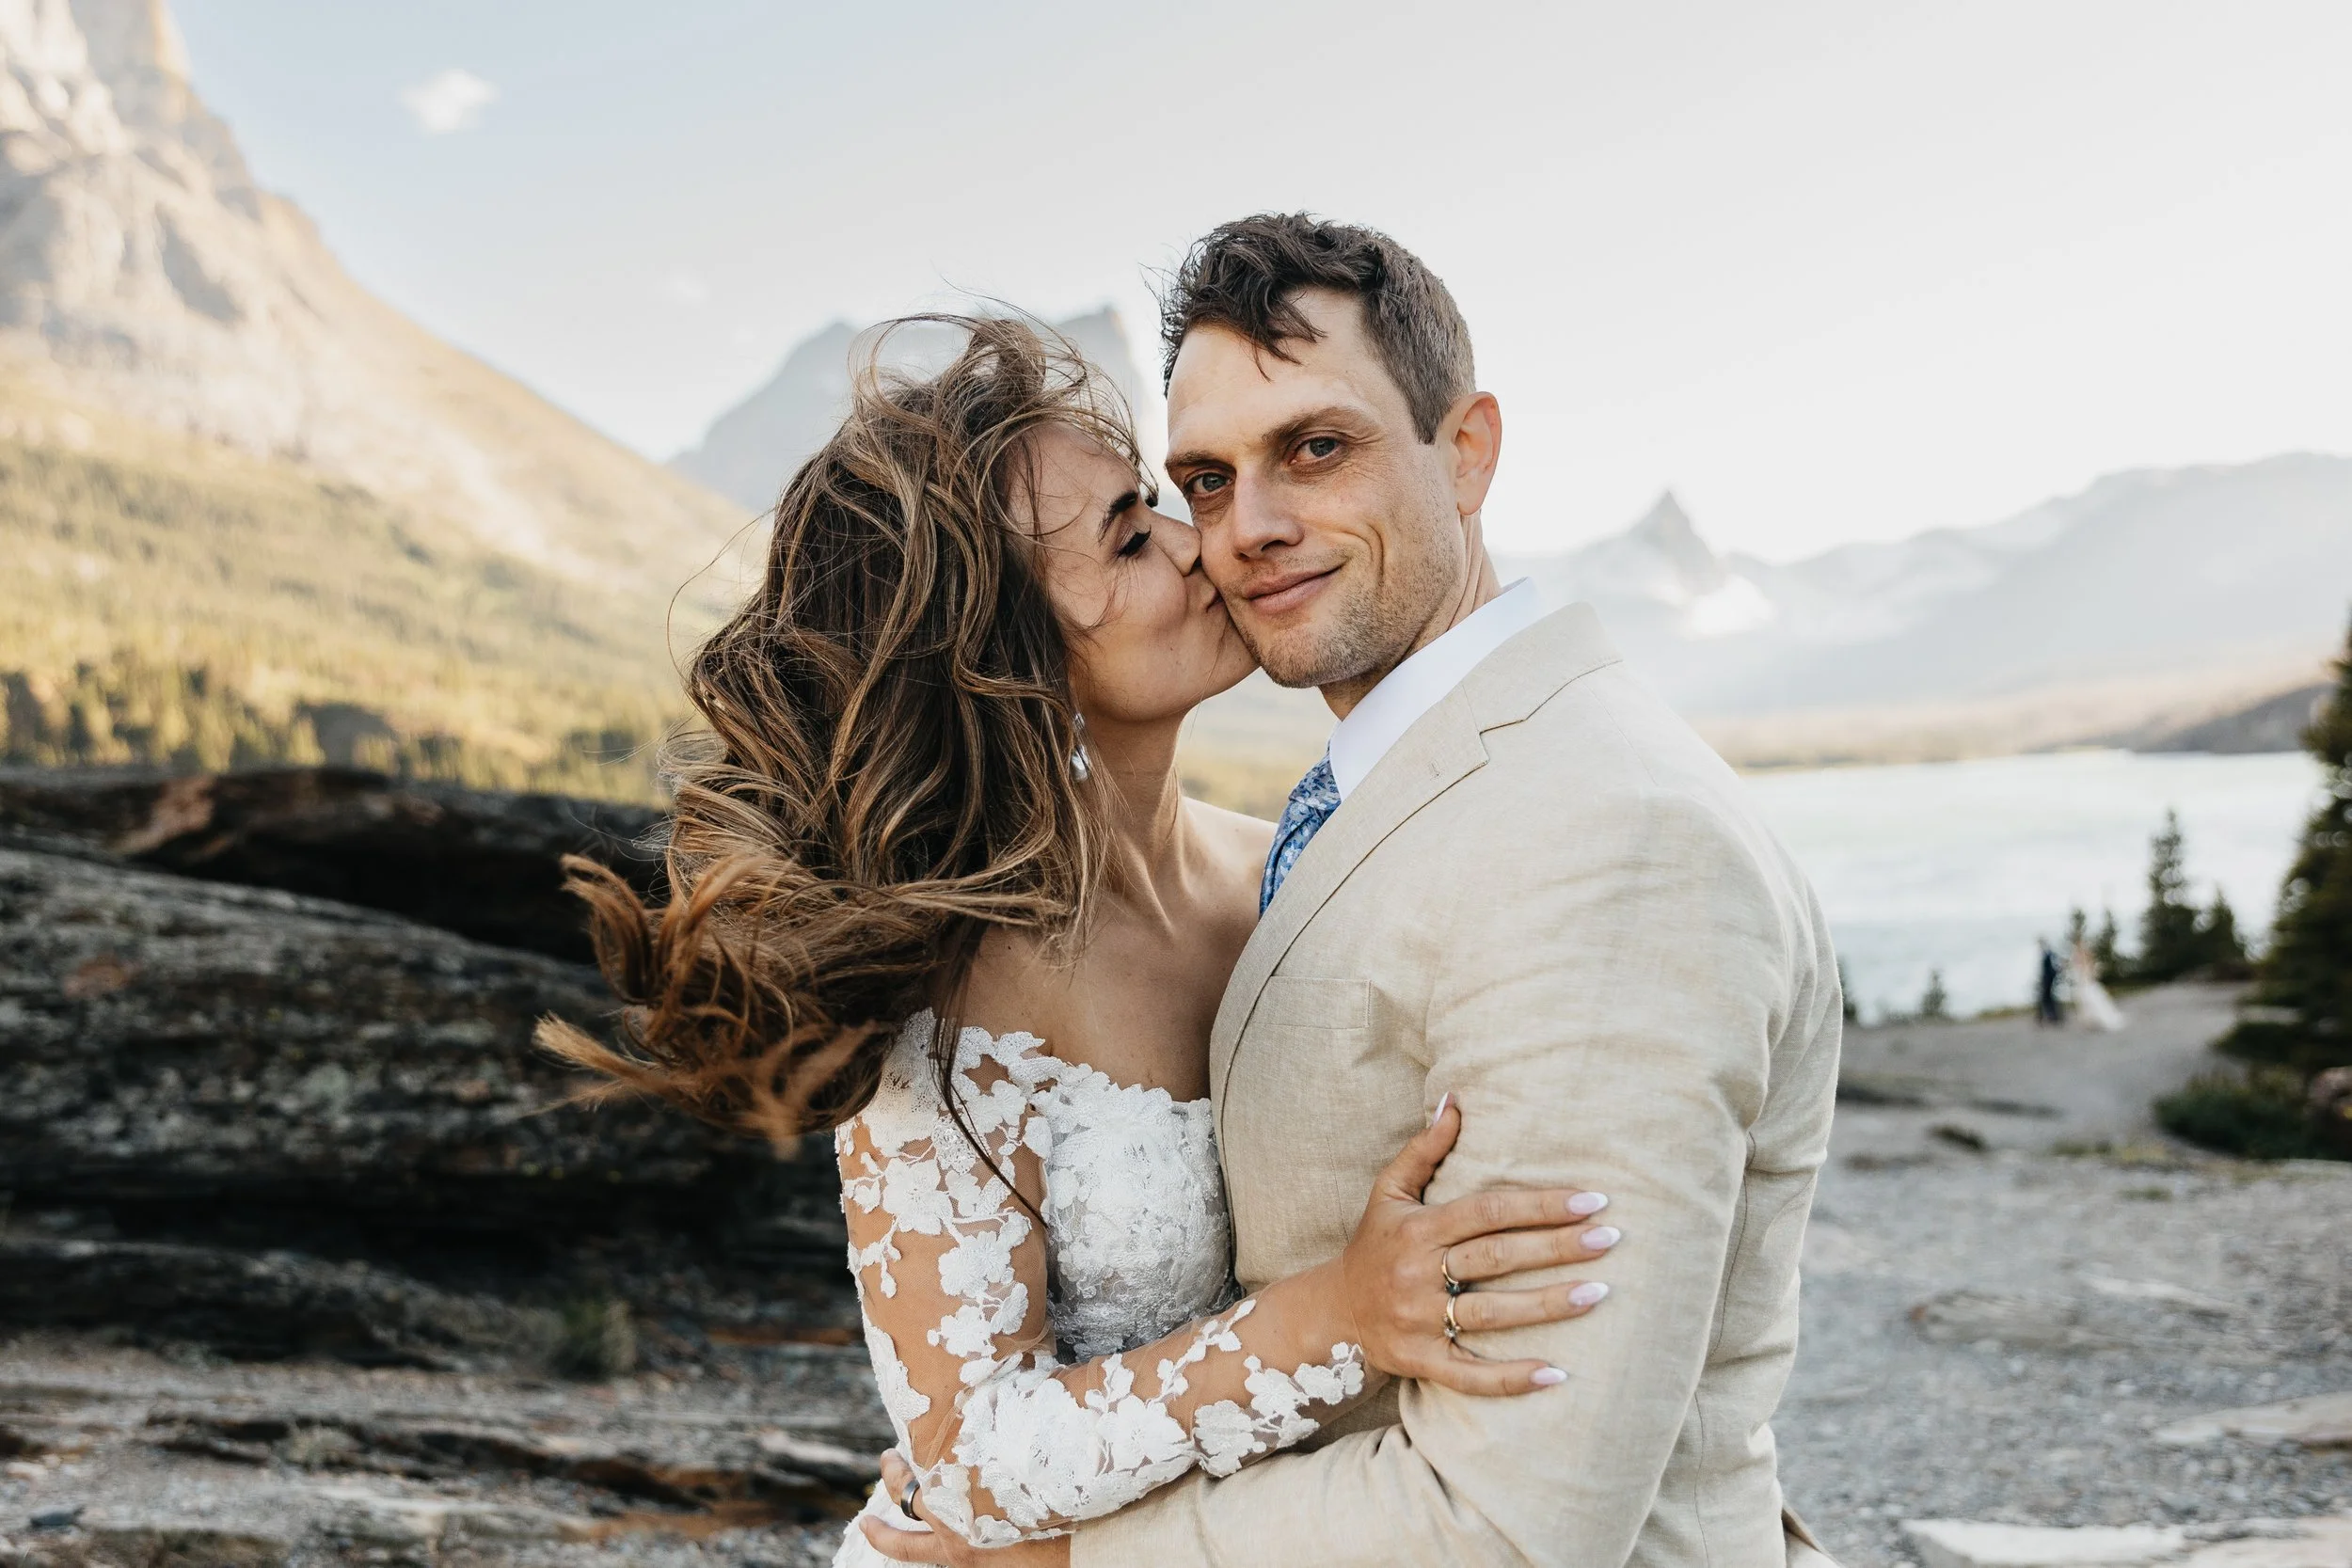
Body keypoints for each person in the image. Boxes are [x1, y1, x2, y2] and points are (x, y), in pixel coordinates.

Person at [538, 316, 1620, 1566]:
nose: (1197, 543)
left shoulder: (1286, 864)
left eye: (1155, 503)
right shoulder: (948, 990)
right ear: (1011, 657)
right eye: (1127, 537)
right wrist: (1334, 1316)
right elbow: (969, 1460)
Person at [866, 215, 1844, 1567]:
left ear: (1469, 451)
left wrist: (1065, 1560)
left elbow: (1511, 1517)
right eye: (1202, 478)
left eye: (1316, 447)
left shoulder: (1611, 841)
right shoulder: (1353, 812)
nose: (1241, 532)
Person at [2038, 940, 2065, 1025]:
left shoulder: (2050, 954)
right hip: (2047, 979)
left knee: (2048, 998)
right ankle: (2049, 1017)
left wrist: (2054, 975)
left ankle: (2053, 1017)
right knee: (2048, 998)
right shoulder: (2046, 954)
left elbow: (2055, 966)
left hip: (2049, 980)